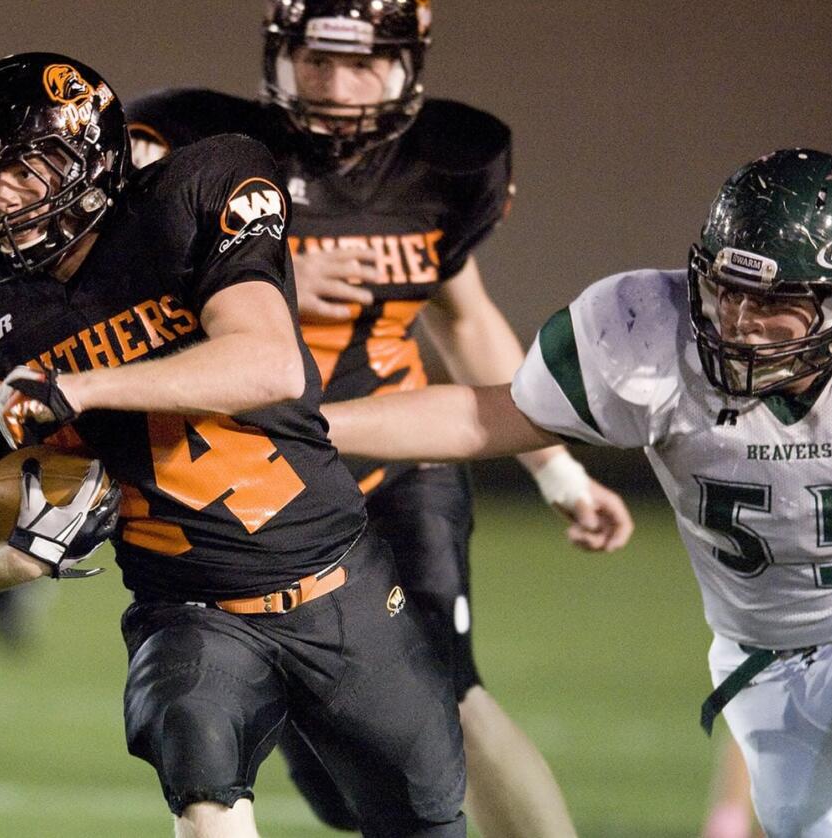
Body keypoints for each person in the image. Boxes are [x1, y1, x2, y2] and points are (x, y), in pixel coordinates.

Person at [0, 50, 604, 838]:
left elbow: (268, 363)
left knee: (419, 803)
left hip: (339, 568)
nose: (1, 202)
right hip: (189, 608)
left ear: (93, 158)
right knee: (203, 783)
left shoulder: (195, 194)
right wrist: (23, 558)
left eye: (25, 172)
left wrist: (85, 386)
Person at [126, 2, 632, 834]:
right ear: (279, 57)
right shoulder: (210, 152)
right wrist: (262, 277)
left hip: (398, 459)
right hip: (257, 480)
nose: (336, 86)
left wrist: (558, 470)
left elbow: (461, 315)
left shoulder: (445, 163)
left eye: (362, 63)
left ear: (408, 63)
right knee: (339, 777)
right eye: (317, 61)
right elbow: (125, 291)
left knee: (449, 689)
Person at [319, 148, 832, 838]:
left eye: (776, 302)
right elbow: (483, 417)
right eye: (728, 288)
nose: (741, 320)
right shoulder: (650, 336)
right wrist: (312, 425)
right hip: (769, 659)